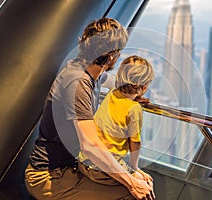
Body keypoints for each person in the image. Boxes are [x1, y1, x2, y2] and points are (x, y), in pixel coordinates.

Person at [25, 18, 154, 200]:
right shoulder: (77, 82)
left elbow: (109, 81)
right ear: (111, 55)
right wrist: (131, 183)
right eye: (119, 52)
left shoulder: (89, 73)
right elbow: (90, 145)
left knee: (139, 181)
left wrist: (132, 92)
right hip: (48, 176)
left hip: (71, 167)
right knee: (131, 194)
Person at [78, 55, 155, 187]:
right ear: (144, 87)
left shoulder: (113, 93)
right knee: (146, 184)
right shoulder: (134, 108)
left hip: (84, 161)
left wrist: (135, 98)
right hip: (104, 167)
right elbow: (135, 143)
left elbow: (121, 103)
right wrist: (134, 168)